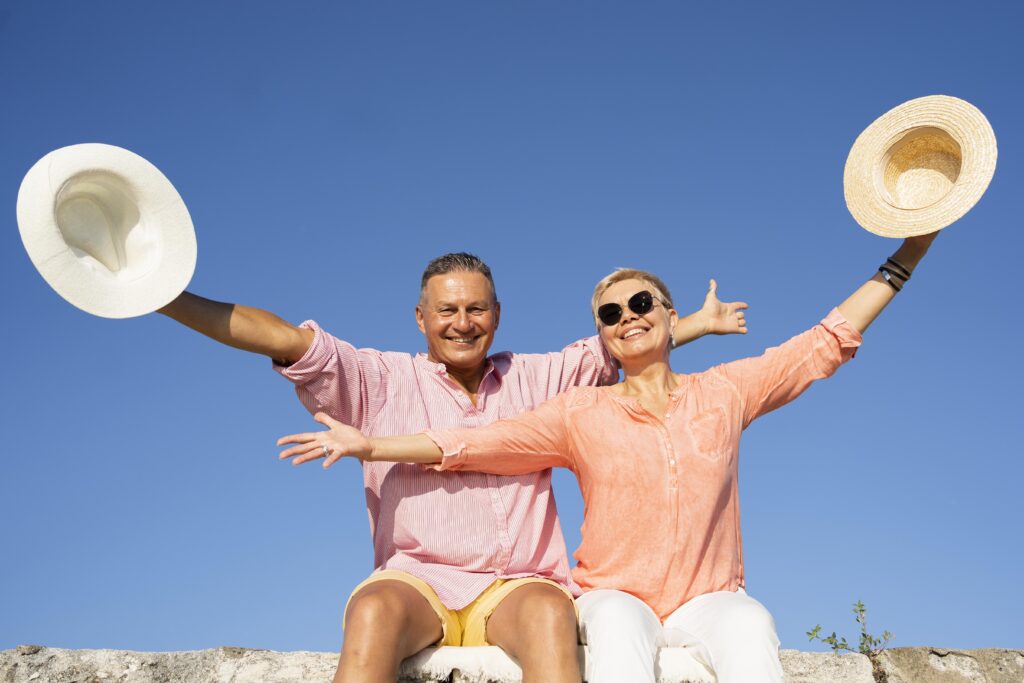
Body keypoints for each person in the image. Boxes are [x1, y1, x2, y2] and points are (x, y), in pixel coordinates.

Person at [278, 235, 937, 683]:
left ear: (670, 315)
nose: (627, 316)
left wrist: (906, 257)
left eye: (641, 304)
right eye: (610, 312)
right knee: (617, 631)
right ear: (601, 333)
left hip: (710, 598)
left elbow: (822, 343)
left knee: (753, 626)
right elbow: (472, 443)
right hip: (614, 595)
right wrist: (371, 445)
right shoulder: (578, 412)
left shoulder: (726, 393)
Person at [159, 252, 747, 683]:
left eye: (475, 309)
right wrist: (162, 296)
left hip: (517, 584)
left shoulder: (541, 377)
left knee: (551, 614)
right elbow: (284, 339)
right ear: (421, 317)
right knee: (372, 610)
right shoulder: (379, 378)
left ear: (497, 314)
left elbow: (627, 338)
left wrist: (695, 323)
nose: (462, 322)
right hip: (418, 579)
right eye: (447, 310)